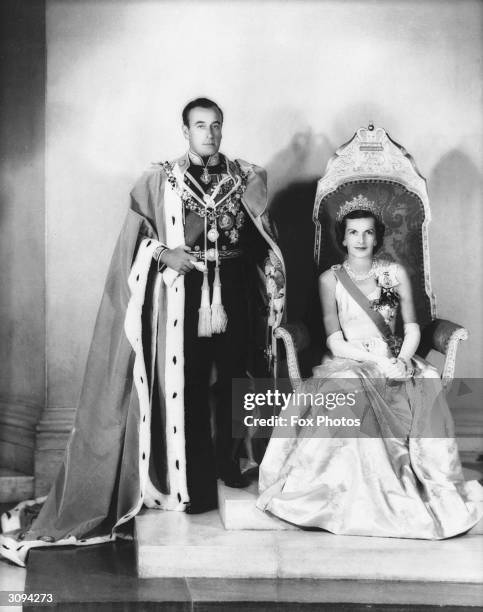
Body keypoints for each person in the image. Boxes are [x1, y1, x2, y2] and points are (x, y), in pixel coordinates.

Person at [0, 97, 285, 566]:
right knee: (190, 384)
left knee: (237, 378)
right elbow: (138, 241)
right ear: (185, 129)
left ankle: (232, 465)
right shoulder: (159, 180)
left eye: (216, 125)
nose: (210, 134)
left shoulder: (245, 178)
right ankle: (192, 484)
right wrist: (164, 253)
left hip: (233, 292)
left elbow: (260, 239)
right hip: (185, 295)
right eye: (200, 126)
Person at [257, 195, 483, 539]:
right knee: (348, 392)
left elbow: (411, 327)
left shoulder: (393, 273)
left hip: (395, 355)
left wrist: (403, 360)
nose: (360, 240)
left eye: (367, 233)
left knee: (427, 380)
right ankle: (347, 496)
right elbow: (334, 338)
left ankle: (419, 485)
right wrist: (378, 361)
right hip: (350, 358)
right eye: (353, 233)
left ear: (376, 237)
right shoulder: (329, 280)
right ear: (343, 238)